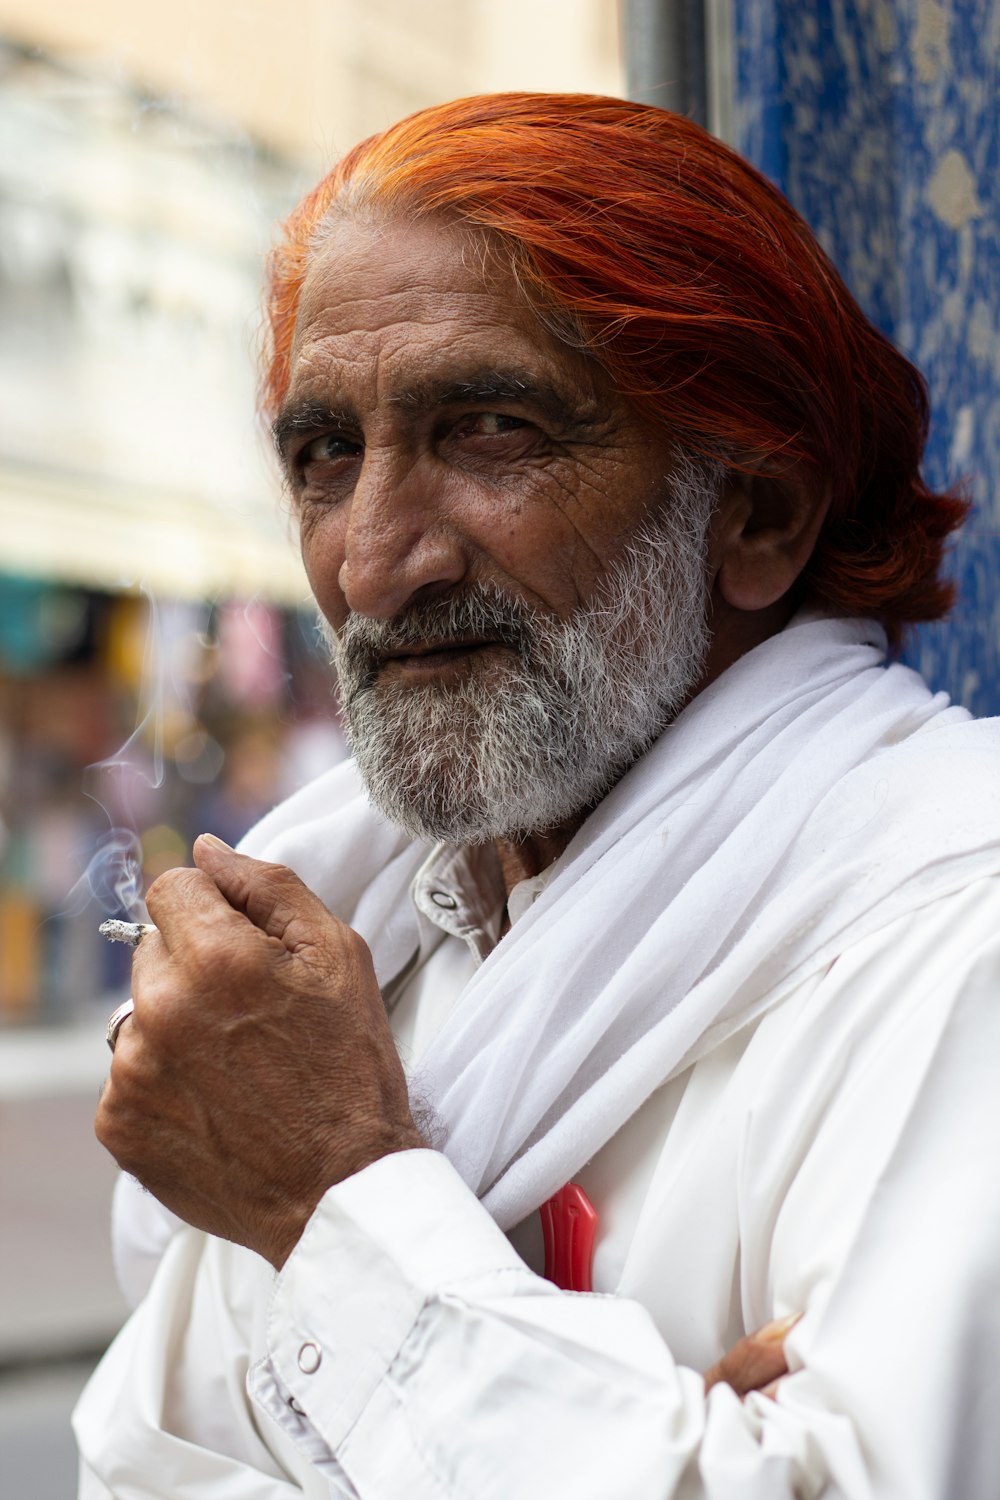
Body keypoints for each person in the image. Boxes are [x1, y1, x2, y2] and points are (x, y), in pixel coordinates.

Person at [74, 94, 1000, 1498]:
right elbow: (142, 1460)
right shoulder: (377, 935)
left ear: (755, 514)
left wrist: (335, 1200)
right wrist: (645, 1433)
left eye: (489, 429)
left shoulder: (952, 923)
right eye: (326, 455)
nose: (377, 563)